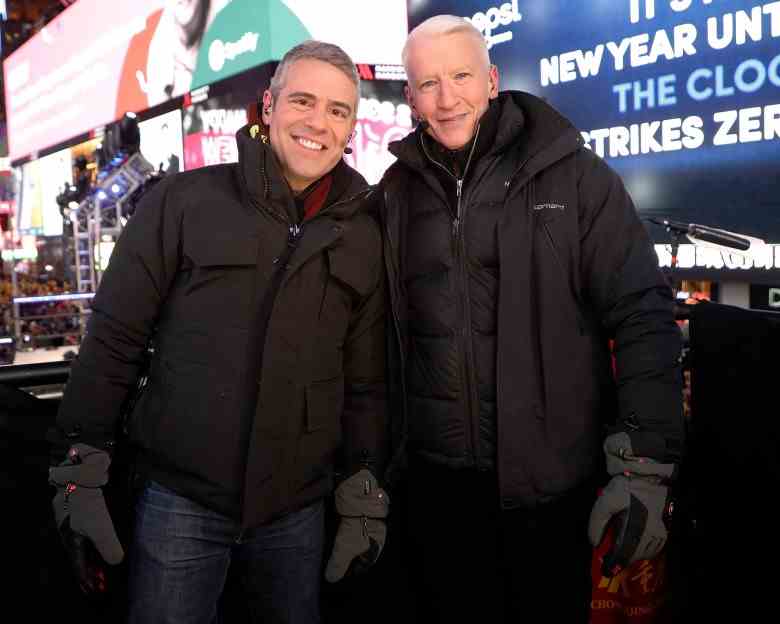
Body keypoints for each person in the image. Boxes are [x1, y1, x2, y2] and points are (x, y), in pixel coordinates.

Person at [48, 40, 389, 624]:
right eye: (303, 101)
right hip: (180, 505)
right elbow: (113, 341)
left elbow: (365, 382)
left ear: (352, 126)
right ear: (268, 106)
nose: (319, 123)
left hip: (296, 513)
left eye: (338, 111)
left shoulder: (363, 231)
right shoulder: (182, 203)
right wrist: (78, 476)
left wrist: (364, 495)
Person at [377, 15, 685, 623]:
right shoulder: (393, 191)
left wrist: (645, 464)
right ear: (409, 96)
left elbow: (642, 312)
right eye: (428, 83)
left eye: (461, 76)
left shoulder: (572, 174)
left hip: (547, 488)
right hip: (435, 494)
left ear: (491, 79)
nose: (447, 99)